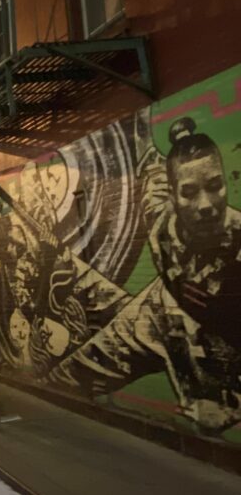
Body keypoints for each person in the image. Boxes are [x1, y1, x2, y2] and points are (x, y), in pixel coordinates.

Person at [51, 116, 241, 432]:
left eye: (215, 186)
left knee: (212, 416)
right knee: (71, 373)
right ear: (176, 198)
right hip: (158, 309)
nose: (206, 205)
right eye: (189, 192)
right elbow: (156, 183)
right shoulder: (163, 219)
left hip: (209, 340)